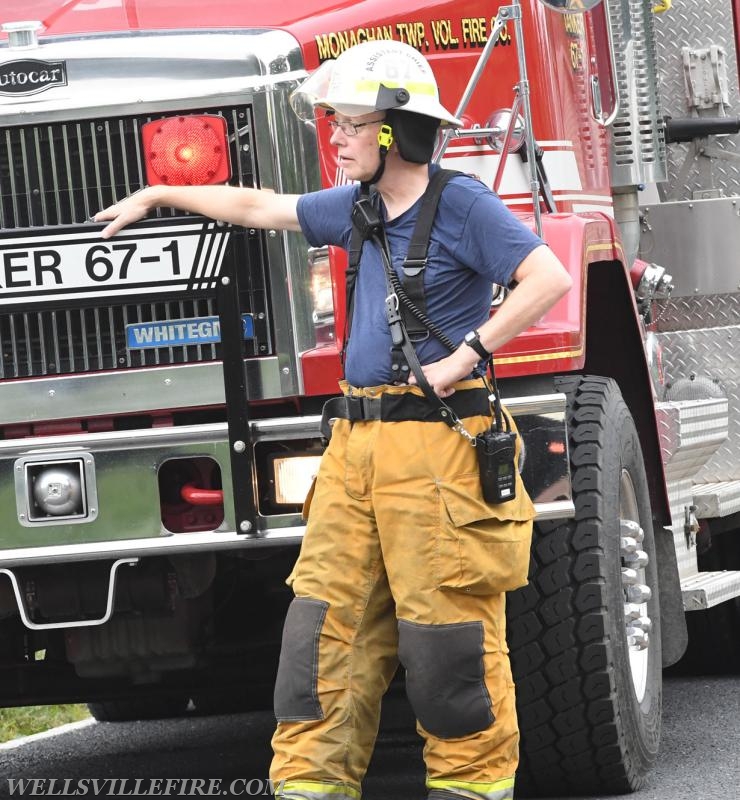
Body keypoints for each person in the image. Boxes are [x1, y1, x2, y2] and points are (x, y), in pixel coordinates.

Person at [96, 39, 571, 800]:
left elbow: (547, 276)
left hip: (437, 450)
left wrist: (464, 356)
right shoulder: (357, 209)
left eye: (348, 125)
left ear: (394, 133)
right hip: (355, 449)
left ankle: (473, 790)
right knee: (322, 637)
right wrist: (161, 194)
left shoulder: (464, 205)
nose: (336, 140)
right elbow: (258, 206)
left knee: (449, 647)